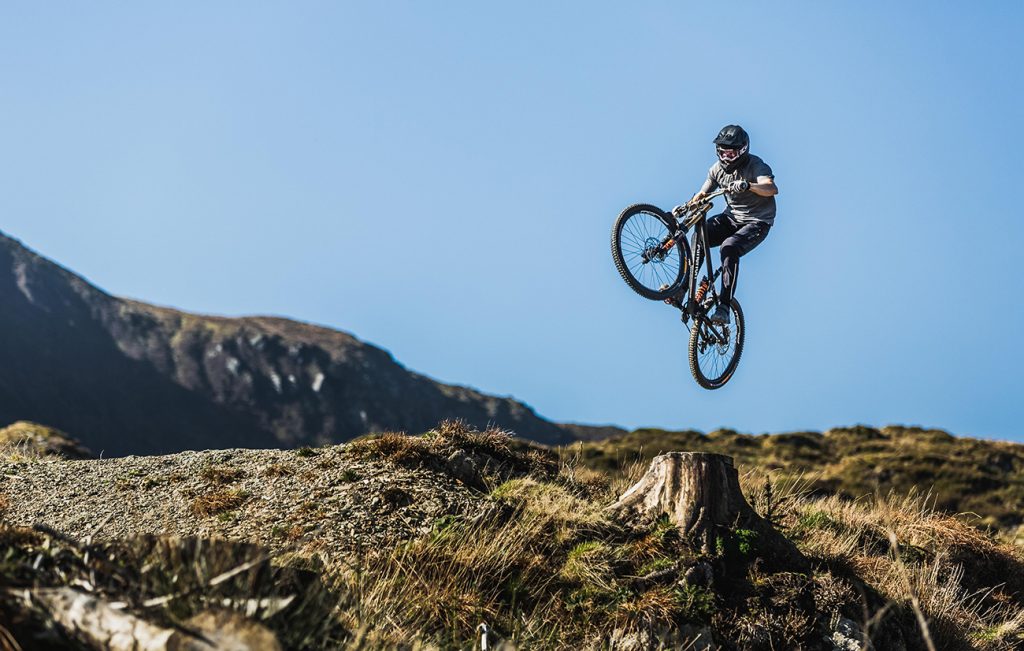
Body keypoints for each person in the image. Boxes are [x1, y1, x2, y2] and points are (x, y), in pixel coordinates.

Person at [673, 125, 778, 324]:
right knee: (700, 234)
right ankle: (683, 288)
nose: (727, 158)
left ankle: (724, 306)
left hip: (758, 221)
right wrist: (686, 206)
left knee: (729, 247)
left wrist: (749, 185)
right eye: (723, 153)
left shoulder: (756, 165)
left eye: (732, 153)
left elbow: (771, 188)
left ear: (743, 150)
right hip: (732, 218)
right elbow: (702, 193)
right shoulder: (716, 170)